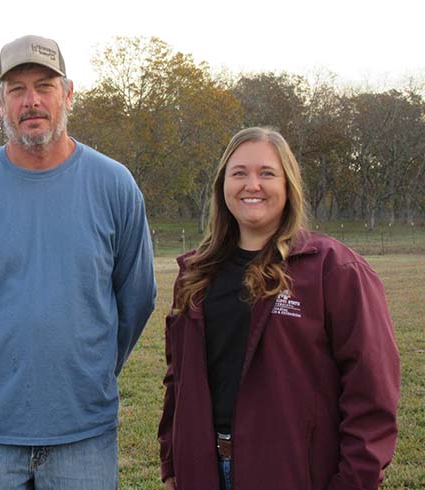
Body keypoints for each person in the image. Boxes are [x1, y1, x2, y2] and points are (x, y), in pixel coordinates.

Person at [0, 35, 157, 489]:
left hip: (83, 432)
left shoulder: (113, 185)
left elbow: (137, 298)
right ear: (0, 102)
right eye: (16, 89)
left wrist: (88, 369)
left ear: (67, 94)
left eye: (44, 86)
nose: (31, 101)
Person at [158, 126, 400, 490]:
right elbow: (178, 378)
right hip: (204, 470)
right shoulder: (195, 274)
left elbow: (372, 392)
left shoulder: (334, 270)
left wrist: (354, 481)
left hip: (291, 473)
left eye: (267, 173)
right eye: (239, 173)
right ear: (223, 185)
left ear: (288, 186)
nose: (251, 184)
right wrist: (173, 458)